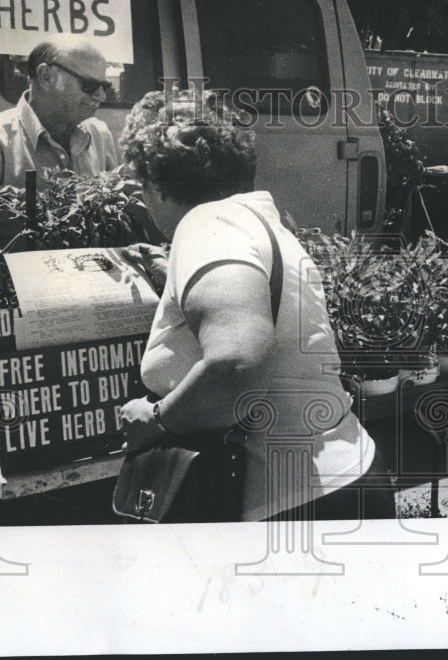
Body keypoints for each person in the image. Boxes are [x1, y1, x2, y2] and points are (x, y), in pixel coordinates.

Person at [117, 92, 393, 522]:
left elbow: (239, 361)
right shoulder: (251, 220)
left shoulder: (207, 224)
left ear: (154, 183)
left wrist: (155, 420)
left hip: (289, 504)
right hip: (342, 476)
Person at [0, 36, 119, 258]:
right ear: (46, 76)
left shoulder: (99, 134)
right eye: (89, 85)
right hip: (12, 288)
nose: (100, 95)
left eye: (104, 86)